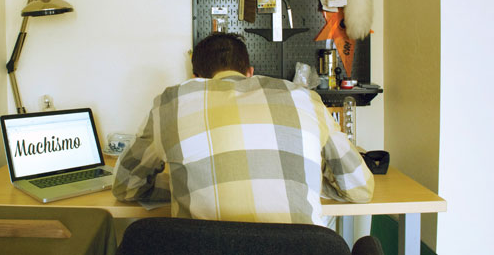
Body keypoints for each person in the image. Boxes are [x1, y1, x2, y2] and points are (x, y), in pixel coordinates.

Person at [112, 33, 374, 226]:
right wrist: (309, 183)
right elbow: (359, 188)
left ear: (196, 78)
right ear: (250, 73)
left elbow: (126, 187)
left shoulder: (172, 101)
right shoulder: (304, 98)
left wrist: (186, 185)